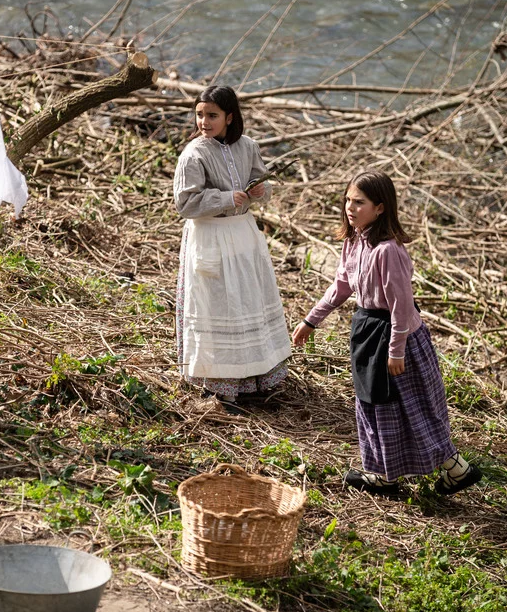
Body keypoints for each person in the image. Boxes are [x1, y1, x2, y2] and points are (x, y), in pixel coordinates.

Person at [291, 170, 481, 496]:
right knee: (374, 406)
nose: (350, 208)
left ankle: (456, 469)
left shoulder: (388, 250)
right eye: (348, 200)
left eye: (359, 202)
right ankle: (385, 475)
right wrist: (311, 321)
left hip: (396, 337)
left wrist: (396, 350)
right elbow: (341, 286)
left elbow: (401, 306)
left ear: (380, 208)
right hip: (367, 333)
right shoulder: (353, 241)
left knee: (413, 408)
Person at [173, 85, 292, 407]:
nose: (204, 122)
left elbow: (261, 182)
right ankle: (219, 383)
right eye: (199, 114)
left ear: (229, 117)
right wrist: (226, 198)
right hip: (210, 235)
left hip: (243, 234)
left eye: (212, 115)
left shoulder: (248, 146)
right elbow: (184, 204)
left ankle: (255, 377)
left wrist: (260, 191)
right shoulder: (194, 154)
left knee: (249, 301)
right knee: (217, 305)